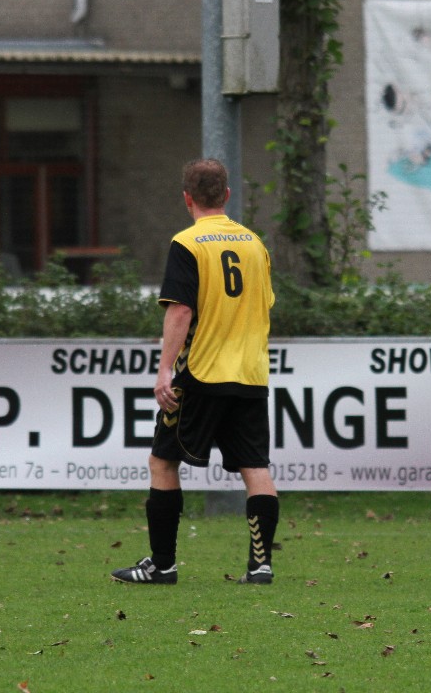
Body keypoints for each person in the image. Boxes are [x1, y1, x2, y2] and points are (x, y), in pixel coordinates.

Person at [112, 159, 278, 585]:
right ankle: (260, 565)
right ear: (227, 195)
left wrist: (164, 370)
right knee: (255, 467)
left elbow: (181, 310)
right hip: (251, 373)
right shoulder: (255, 244)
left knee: (163, 460)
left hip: (202, 372)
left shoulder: (187, 243)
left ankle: (162, 564)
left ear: (187, 199)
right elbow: (264, 305)